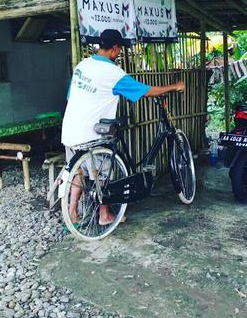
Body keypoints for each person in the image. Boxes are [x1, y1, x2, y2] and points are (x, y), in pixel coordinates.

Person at [61, 29, 185, 225]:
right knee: (102, 174)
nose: (118, 54)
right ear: (114, 49)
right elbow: (145, 91)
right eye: (119, 50)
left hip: (69, 131)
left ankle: (72, 211)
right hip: (92, 134)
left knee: (79, 171)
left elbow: (70, 97)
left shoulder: (82, 66)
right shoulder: (113, 73)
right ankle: (104, 215)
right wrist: (173, 86)